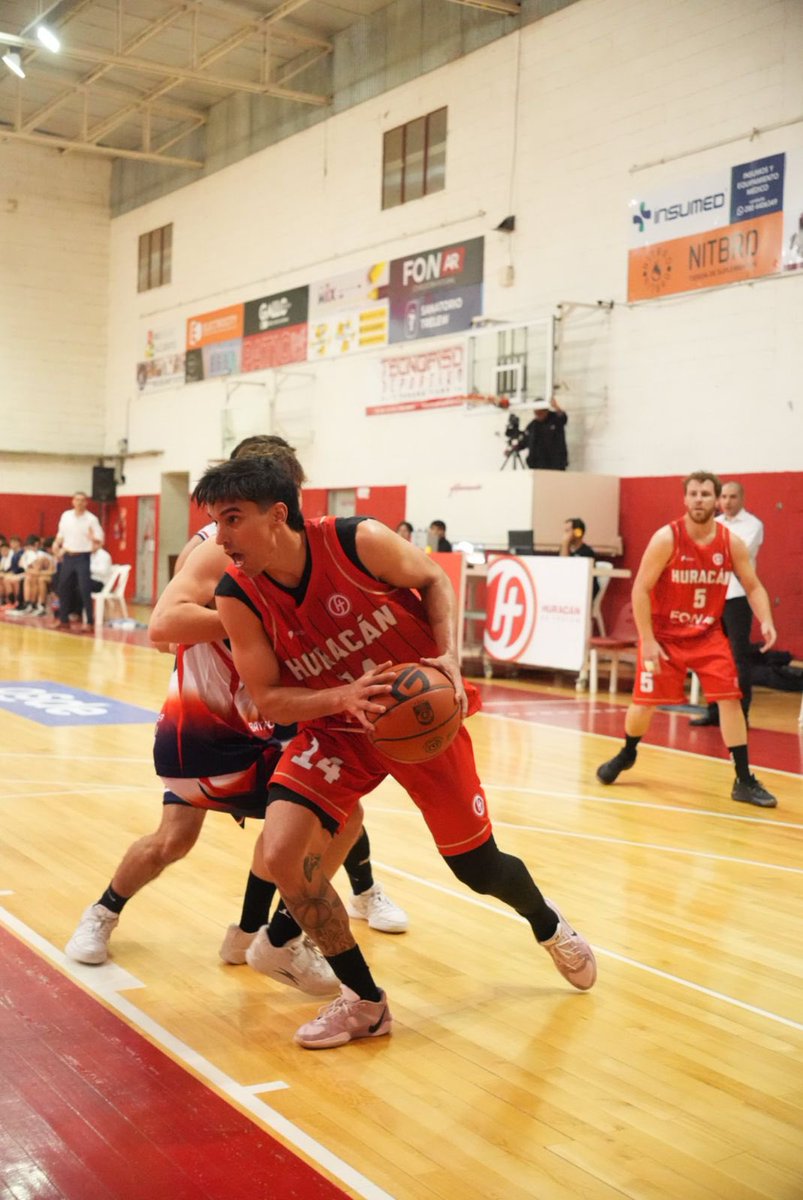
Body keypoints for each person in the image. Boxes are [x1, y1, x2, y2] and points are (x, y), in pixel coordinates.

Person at [194, 454, 597, 1052]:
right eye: (215, 521)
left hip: (417, 717)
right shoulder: (236, 595)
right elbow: (271, 699)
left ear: (278, 515)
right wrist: (341, 696)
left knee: (478, 868)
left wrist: (451, 662)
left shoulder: (358, 541)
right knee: (283, 856)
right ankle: (365, 1003)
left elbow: (435, 579)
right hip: (335, 729)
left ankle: (547, 924)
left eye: (232, 519)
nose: (220, 537)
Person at [66, 439, 407, 978]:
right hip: (209, 717)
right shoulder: (214, 546)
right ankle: (103, 912)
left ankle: (268, 935)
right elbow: (161, 628)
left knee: (326, 815)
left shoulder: (292, 545)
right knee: (172, 840)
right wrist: (253, 617)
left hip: (271, 716)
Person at [596, 471, 778, 808]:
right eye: (693, 494)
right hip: (665, 636)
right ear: (685, 498)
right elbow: (641, 589)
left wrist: (766, 618)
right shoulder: (667, 538)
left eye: (706, 494)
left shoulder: (730, 542)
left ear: (717, 500)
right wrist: (647, 639)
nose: (699, 500)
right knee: (644, 704)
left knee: (730, 699)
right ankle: (627, 752)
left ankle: (743, 778)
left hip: (707, 635)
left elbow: (752, 584)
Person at [690, 481, 763, 728]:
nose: (728, 501)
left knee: (738, 656)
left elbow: (733, 555)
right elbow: (699, 554)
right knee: (713, 656)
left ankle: (741, 715)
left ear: (741, 498)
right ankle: (713, 711)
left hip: (738, 596)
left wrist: (712, 553)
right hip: (712, 597)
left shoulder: (753, 525)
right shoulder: (715, 523)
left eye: (733, 497)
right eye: (724, 497)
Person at [53, 491, 104, 631]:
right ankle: (63, 620)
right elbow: (61, 534)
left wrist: (93, 538)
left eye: (82, 500)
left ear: (86, 503)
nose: (80, 502)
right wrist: (56, 544)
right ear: (73, 501)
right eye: (77, 499)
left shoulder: (91, 519)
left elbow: (100, 539)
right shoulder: (66, 516)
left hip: (83, 556)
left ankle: (89, 623)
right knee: (63, 588)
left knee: (84, 589)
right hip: (68, 556)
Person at [524, 395, 568, 471]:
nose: (538, 415)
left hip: (555, 464)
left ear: (546, 411)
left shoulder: (555, 418)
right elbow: (525, 440)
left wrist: (556, 406)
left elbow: (563, 418)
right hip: (538, 465)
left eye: (540, 412)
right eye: (536, 412)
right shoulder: (533, 425)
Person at [560, 517, 599, 598]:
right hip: (570, 591)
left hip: (585, 593)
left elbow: (566, 569)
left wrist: (565, 543)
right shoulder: (566, 550)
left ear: (578, 532)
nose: (564, 535)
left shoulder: (587, 552)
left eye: (567, 531)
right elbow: (562, 574)